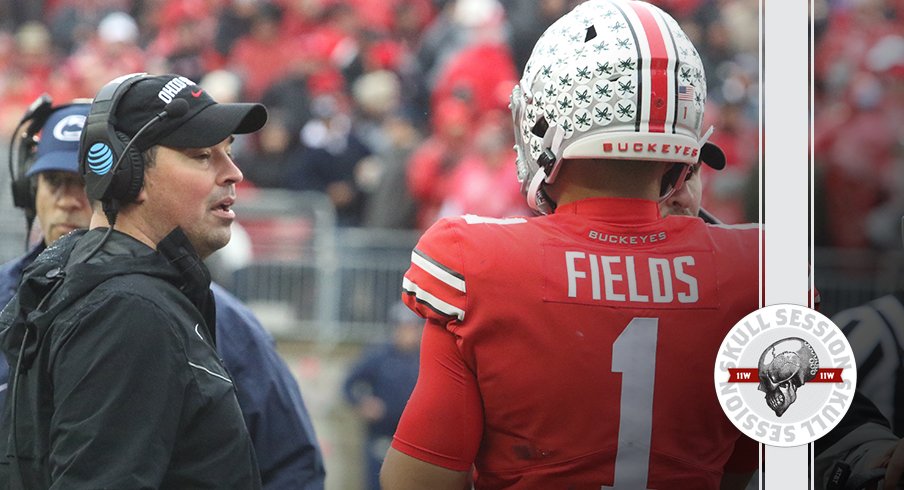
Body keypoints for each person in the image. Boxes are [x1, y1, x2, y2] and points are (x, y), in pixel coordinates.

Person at [380, 1, 759, 488]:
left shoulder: (475, 262)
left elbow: (418, 480)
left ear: (547, 121)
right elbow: (745, 467)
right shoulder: (756, 272)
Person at [0, 95, 327, 488]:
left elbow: (291, 464)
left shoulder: (194, 310)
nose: (70, 200)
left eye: (81, 180)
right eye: (203, 155)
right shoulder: (125, 307)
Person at [343, 302, 421, 490]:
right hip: (381, 438)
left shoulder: (425, 357)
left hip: (415, 440)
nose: (407, 333)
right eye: (402, 328)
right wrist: (363, 403)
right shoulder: (379, 356)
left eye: (411, 328)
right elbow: (348, 385)